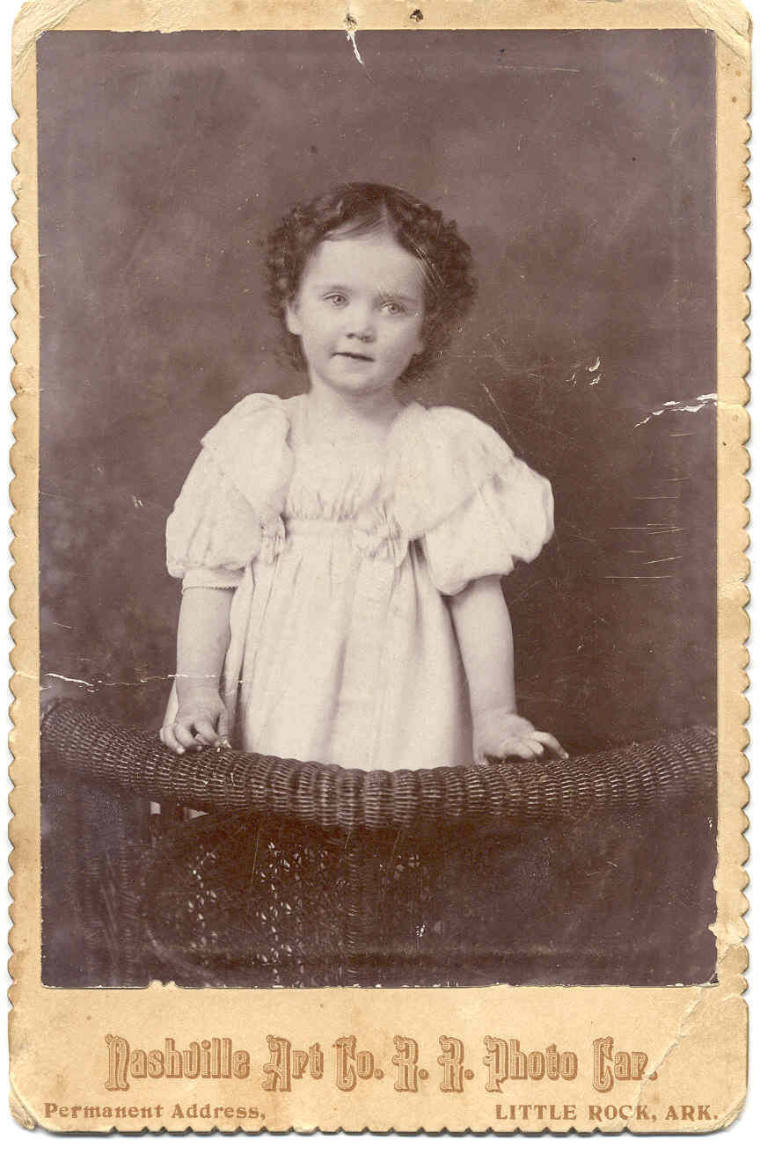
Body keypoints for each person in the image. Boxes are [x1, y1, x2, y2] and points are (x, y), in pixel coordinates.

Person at [160, 182, 567, 770]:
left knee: (389, 835)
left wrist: (495, 715)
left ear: (427, 330)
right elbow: (209, 583)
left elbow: (477, 595)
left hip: (403, 705)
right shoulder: (255, 441)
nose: (361, 326)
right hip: (273, 697)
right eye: (336, 299)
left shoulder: (440, 450)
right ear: (294, 309)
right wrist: (198, 691)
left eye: (392, 307)